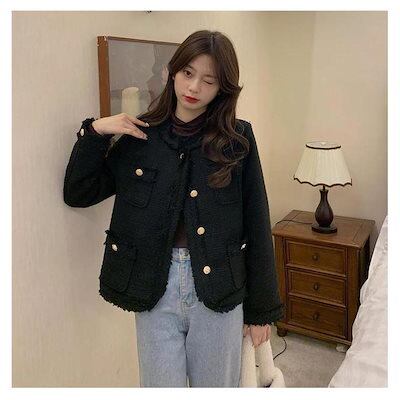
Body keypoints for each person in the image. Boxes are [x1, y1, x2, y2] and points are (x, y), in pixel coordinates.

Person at [63, 30, 284, 387]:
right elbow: (79, 191)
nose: (194, 87)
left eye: (208, 80)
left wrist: (261, 310)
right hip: (154, 286)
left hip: (219, 287)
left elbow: (257, 220)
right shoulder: (141, 136)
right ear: (172, 72)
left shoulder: (237, 139)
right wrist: (96, 131)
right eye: (187, 73)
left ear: (222, 88)